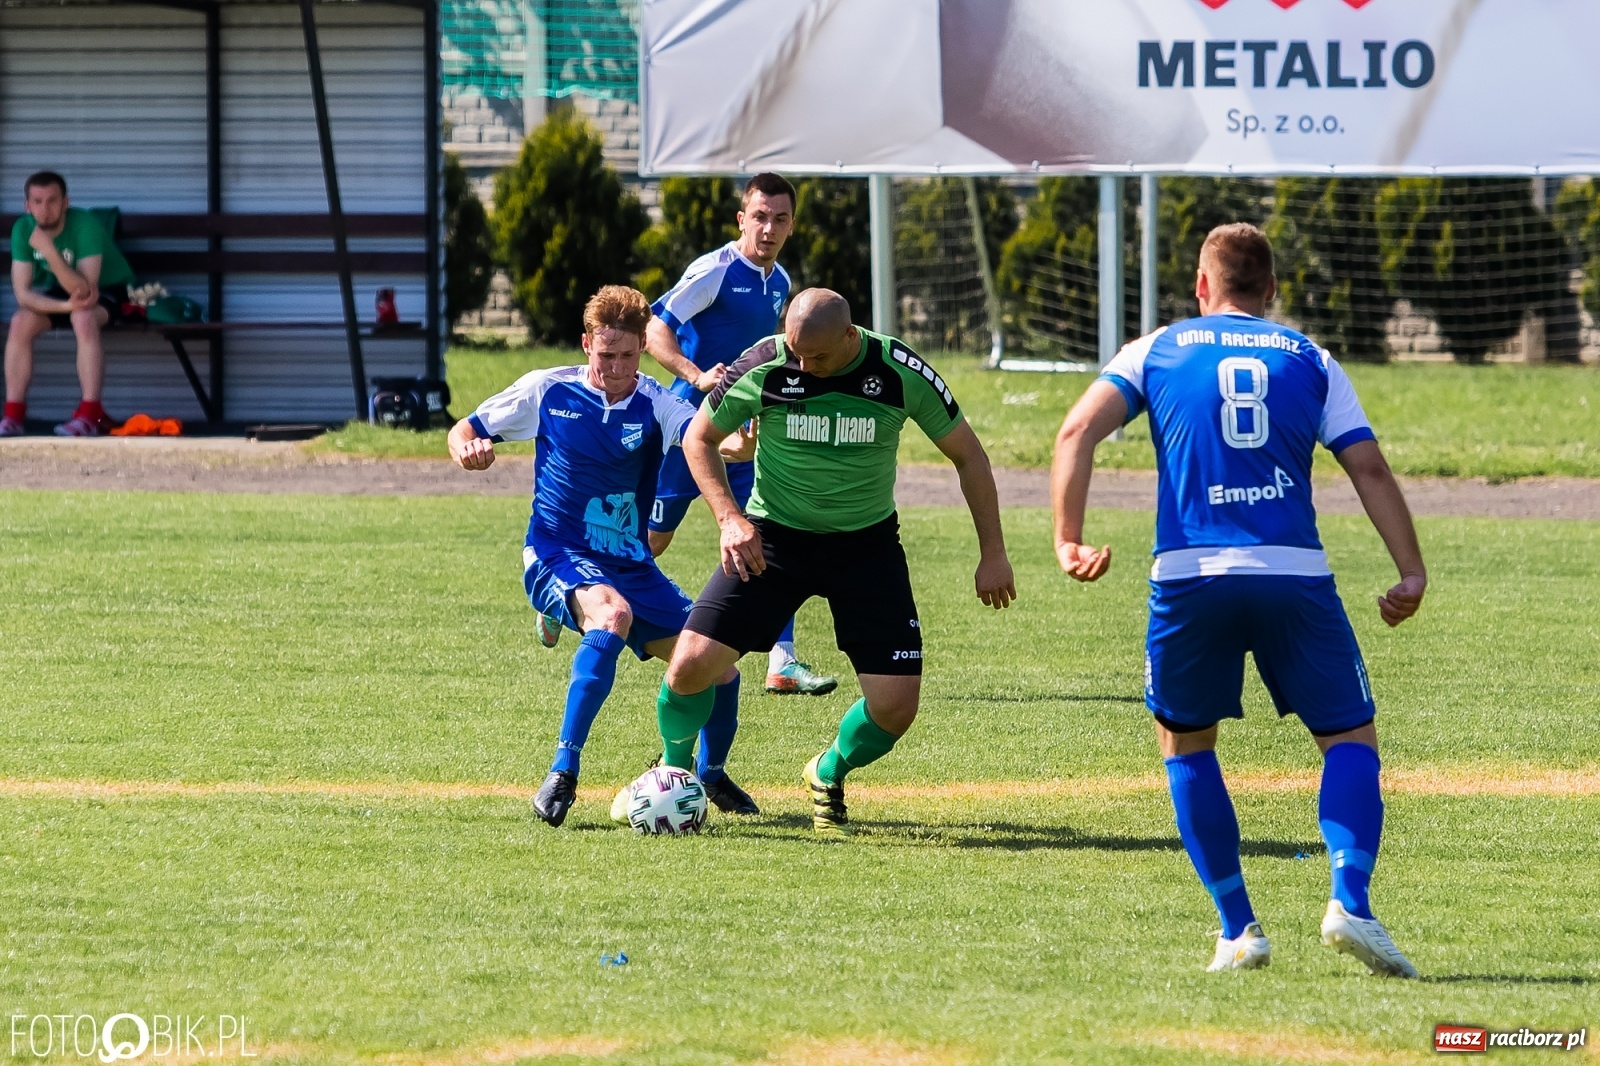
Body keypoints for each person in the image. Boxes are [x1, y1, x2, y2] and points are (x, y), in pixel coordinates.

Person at [1050, 223, 1427, 977]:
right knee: (1349, 739)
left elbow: (1074, 433)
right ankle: (1349, 901)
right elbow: (1372, 471)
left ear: (1201, 285)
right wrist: (1409, 570)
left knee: (1187, 744)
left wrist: (1069, 537)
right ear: (1273, 290)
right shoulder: (1311, 359)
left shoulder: (1155, 350)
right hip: (1293, 574)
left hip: (1189, 577)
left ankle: (1239, 929)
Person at [647, 288, 1017, 834]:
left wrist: (994, 554)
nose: (803, 367)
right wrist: (729, 518)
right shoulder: (766, 362)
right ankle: (674, 774)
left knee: (896, 708)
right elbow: (700, 438)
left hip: (865, 547)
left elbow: (969, 455)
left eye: (815, 357)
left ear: (850, 336)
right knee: (689, 664)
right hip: (772, 540)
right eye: (795, 353)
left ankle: (828, 769)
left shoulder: (897, 371)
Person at [447, 285, 742, 828]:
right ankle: (563, 770)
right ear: (587, 344)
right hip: (558, 551)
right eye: (606, 355)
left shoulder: (655, 402)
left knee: (715, 663)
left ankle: (710, 773)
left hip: (631, 562)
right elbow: (464, 428)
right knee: (612, 615)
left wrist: (740, 439)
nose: (615, 367)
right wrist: (468, 450)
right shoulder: (548, 391)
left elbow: (710, 437)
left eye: (628, 356)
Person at [643, 172, 840, 701]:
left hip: (750, 431)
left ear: (792, 225)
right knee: (651, 542)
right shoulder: (714, 271)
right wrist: (695, 375)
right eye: (759, 217)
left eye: (779, 219)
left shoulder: (780, 282)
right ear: (741, 218)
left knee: (773, 530)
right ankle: (577, 598)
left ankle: (783, 662)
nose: (768, 228)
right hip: (692, 431)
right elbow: (653, 328)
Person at [5, 171, 136, 437]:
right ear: (27, 206)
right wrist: (65, 307)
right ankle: (13, 417)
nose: (45, 210)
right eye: (38, 202)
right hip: (66, 295)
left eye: (53, 201)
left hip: (111, 289)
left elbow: (85, 290)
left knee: (83, 318)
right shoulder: (23, 228)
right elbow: (22, 294)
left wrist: (50, 253)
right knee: (20, 321)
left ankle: (90, 416)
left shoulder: (85, 225)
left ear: (66, 202)